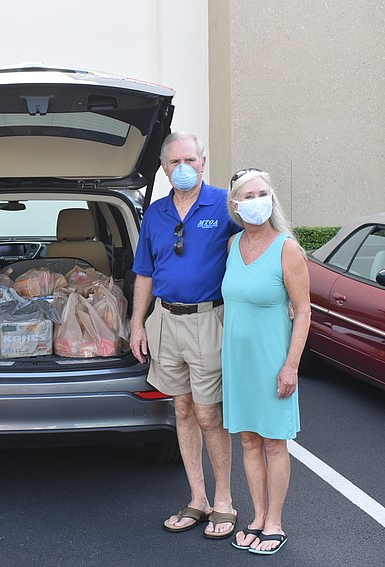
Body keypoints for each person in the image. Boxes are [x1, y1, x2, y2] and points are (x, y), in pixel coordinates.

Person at [130, 131, 241, 539]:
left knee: (209, 414)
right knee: (181, 410)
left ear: (203, 162)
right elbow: (144, 272)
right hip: (165, 321)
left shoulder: (224, 206)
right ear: (163, 168)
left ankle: (225, 501)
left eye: (190, 160)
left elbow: (256, 247)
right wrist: (136, 323)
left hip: (207, 320)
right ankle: (198, 499)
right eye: (174, 162)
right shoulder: (155, 214)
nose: (183, 168)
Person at [221, 168, 310, 555]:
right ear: (235, 205)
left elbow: (304, 312)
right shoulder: (232, 245)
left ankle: (275, 522)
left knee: (274, 442)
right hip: (238, 362)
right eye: (249, 195)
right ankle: (257, 517)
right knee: (247, 440)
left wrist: (290, 366)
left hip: (273, 360)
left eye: (263, 193)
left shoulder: (286, 248)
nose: (258, 200)